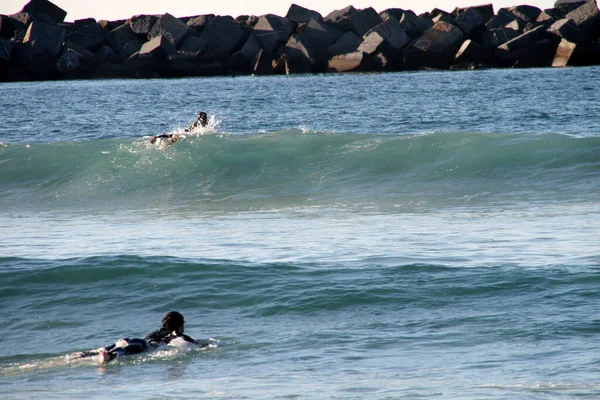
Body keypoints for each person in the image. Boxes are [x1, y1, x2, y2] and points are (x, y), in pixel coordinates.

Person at [74, 311, 206, 362]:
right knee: (126, 351)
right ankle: (110, 356)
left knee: (123, 346)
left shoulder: (155, 332)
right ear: (180, 325)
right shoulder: (176, 334)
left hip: (136, 340)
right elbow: (192, 343)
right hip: (145, 346)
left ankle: (90, 354)